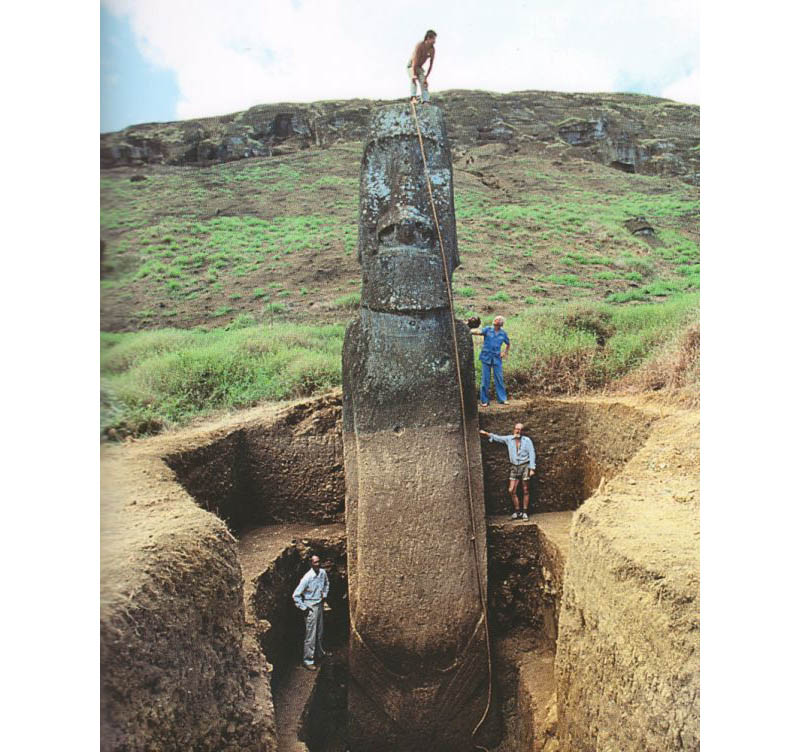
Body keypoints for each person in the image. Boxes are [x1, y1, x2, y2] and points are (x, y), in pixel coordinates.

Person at [479, 423, 536, 520]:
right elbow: (498, 438)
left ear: (523, 431)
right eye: (516, 429)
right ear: (514, 430)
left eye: (520, 429)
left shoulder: (527, 441)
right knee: (511, 490)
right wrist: (486, 434)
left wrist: (532, 468)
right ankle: (517, 511)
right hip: (514, 467)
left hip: (525, 466)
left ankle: (525, 512)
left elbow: (532, 453)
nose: (518, 431)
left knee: (525, 489)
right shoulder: (509, 439)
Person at [292, 554, 330, 670]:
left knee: (320, 631)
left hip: (319, 604)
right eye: (315, 562)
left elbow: (326, 584)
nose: (318, 564)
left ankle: (319, 653)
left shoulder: (323, 573)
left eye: (319, 562)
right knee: (311, 635)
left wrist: (324, 595)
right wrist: (304, 608)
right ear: (311, 564)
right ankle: (308, 660)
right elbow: (296, 595)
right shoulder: (307, 578)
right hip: (310, 606)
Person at [471, 315, 510, 406]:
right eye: (495, 319)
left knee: (499, 379)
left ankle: (502, 399)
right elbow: (478, 332)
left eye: (498, 319)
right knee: (485, 379)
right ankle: (484, 401)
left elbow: (508, 343)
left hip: (497, 358)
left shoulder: (503, 333)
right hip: (486, 357)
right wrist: (469, 330)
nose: (495, 320)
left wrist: (504, 353)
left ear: (501, 323)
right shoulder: (488, 329)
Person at [408, 30, 436, 104]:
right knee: (413, 79)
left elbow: (431, 65)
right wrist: (413, 75)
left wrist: (426, 78)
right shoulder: (420, 45)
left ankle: (425, 100)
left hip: (419, 67)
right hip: (411, 65)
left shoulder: (432, 49)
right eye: (433, 39)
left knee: (424, 82)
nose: (434, 41)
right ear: (428, 38)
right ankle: (413, 98)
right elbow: (414, 61)